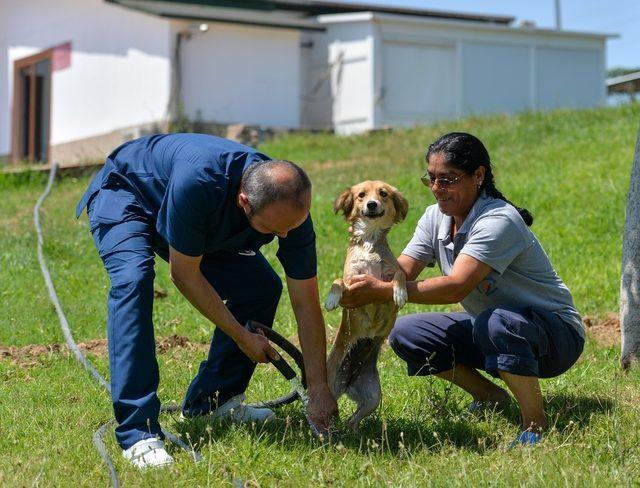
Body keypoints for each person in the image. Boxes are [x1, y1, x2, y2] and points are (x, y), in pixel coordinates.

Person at [76, 133, 337, 467]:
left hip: (196, 216)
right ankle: (137, 433)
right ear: (244, 202)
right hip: (129, 194)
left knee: (261, 286)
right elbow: (185, 275)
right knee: (134, 281)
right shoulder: (200, 181)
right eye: (273, 231)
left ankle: (215, 401)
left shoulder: (288, 208)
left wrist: (318, 388)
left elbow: (306, 303)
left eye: (290, 228)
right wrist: (242, 337)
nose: (284, 236)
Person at [340, 132, 584, 446]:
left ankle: (534, 425)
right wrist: (358, 275)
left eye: (448, 179)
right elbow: (398, 273)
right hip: (494, 327)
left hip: (555, 337)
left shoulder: (498, 220)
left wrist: (382, 291)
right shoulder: (435, 217)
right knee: (408, 333)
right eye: (431, 179)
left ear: (478, 176)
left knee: (495, 322)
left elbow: (456, 287)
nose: (438, 189)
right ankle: (491, 397)